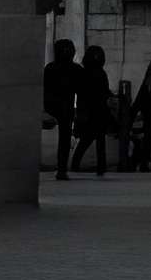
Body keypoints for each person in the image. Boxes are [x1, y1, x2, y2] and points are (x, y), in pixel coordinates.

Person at [42, 38, 82, 183]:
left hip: (53, 106)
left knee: (64, 139)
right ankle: (62, 169)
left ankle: (62, 169)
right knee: (64, 139)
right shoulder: (75, 69)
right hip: (67, 107)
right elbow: (81, 90)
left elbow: (44, 89)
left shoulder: (50, 68)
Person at [72, 43, 112, 178]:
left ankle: (77, 165)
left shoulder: (84, 73)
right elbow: (104, 91)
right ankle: (100, 167)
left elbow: (81, 92)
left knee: (87, 140)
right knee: (97, 140)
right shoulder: (100, 73)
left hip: (89, 110)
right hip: (99, 110)